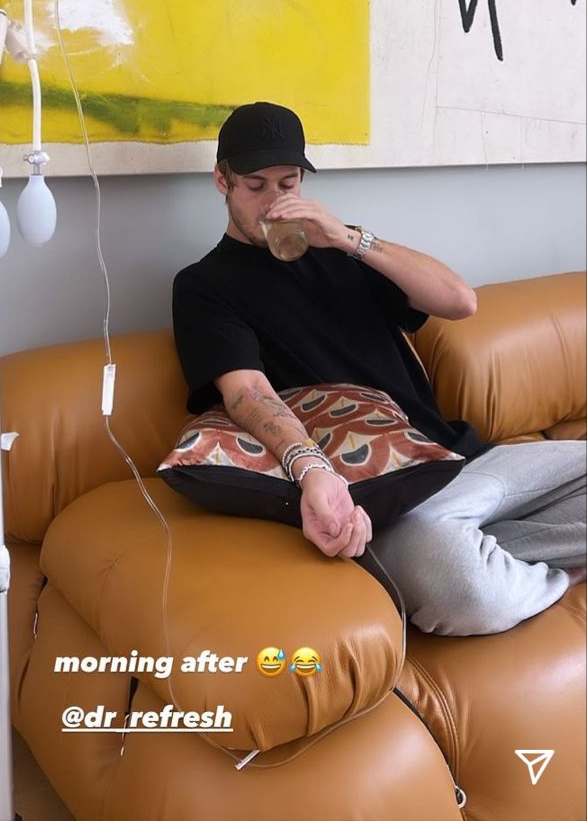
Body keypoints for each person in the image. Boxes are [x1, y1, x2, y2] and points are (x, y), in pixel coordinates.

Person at [172, 101, 587, 636]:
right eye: (256, 185)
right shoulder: (203, 285)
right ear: (221, 181)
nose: (274, 202)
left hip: (464, 464)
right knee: (461, 589)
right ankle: (547, 574)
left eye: (288, 183)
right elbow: (247, 391)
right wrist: (314, 471)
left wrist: (349, 238)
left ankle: (502, 556)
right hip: (388, 499)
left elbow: (460, 302)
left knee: (465, 554)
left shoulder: (344, 252)